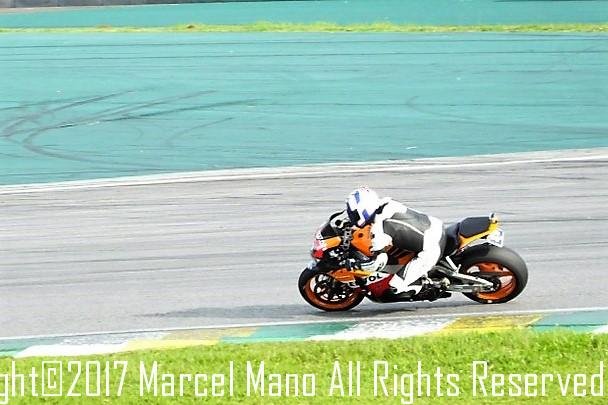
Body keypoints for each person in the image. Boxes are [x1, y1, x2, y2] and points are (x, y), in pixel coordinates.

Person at [345, 186, 445, 296]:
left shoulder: (380, 230)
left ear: (363, 209)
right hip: (435, 226)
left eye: (353, 214)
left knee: (394, 287)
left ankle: (427, 285)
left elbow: (378, 262)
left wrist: (357, 265)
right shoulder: (386, 204)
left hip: (432, 248)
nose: (352, 216)